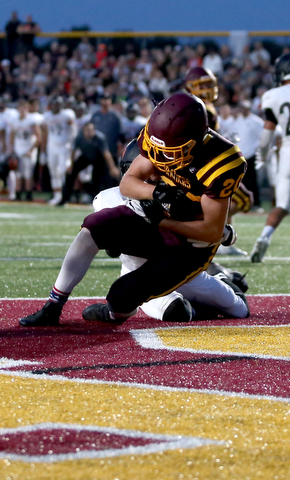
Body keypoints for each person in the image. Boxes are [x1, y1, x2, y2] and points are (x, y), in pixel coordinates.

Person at [19, 92, 248, 327]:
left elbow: (210, 233)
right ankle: (52, 306)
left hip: (189, 245)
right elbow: (128, 183)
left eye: (169, 151)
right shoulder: (157, 142)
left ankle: (222, 295)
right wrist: (155, 194)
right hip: (156, 222)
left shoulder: (221, 162)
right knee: (92, 227)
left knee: (121, 299)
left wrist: (162, 220)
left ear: (193, 141)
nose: (159, 158)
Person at [183, 66, 253, 256]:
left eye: (208, 84)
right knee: (243, 199)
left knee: (234, 199)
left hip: (200, 166)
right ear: (190, 86)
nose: (206, 88)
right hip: (204, 167)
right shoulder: (202, 109)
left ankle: (214, 234)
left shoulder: (197, 106)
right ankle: (213, 235)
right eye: (201, 84)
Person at [251, 53, 290, 262]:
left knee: (282, 205)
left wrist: (263, 157)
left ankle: (265, 236)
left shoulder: (273, 95)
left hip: (287, 154)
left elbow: (267, 136)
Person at [58, 122, 120, 205]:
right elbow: (73, 152)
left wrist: (112, 168)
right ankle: (64, 199)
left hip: (99, 158)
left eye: (91, 130)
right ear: (83, 131)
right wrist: (71, 165)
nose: (89, 132)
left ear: (94, 131)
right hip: (86, 156)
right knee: (70, 174)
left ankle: (98, 199)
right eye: (87, 130)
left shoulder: (100, 138)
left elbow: (106, 154)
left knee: (97, 178)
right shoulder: (79, 138)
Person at [42, 96, 76, 205]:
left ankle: (63, 196)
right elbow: (45, 133)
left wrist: (71, 144)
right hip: (52, 146)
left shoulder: (67, 114)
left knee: (62, 171)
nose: (56, 106)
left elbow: (73, 130)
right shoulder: (47, 116)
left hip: (64, 145)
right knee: (53, 171)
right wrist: (43, 150)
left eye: (58, 104)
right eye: (54, 104)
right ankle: (57, 196)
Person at [9, 99, 41, 201]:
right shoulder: (14, 121)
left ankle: (28, 194)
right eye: (20, 108)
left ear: (27, 109)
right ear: (18, 109)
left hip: (28, 148)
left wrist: (31, 150)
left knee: (28, 174)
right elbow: (12, 136)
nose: (22, 110)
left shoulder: (31, 120)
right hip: (18, 149)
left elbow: (38, 136)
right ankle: (18, 193)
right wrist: (12, 149)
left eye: (24, 108)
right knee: (18, 173)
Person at [90, 92, 124, 164]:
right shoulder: (95, 115)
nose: (105, 101)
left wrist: (120, 149)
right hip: (98, 151)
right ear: (100, 101)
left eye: (107, 99)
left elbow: (121, 133)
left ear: (110, 101)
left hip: (112, 150)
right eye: (103, 99)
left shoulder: (116, 116)